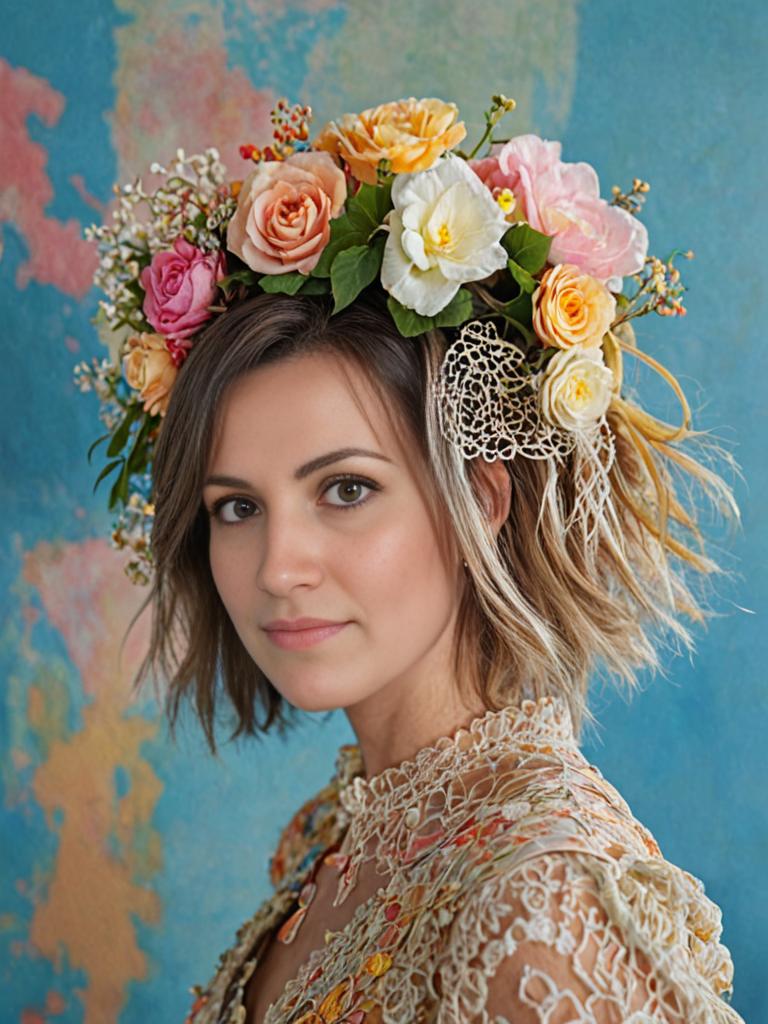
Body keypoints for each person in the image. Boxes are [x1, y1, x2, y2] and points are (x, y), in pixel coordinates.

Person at [79, 95, 745, 1023]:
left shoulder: (540, 903)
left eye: (345, 488)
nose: (277, 567)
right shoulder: (332, 831)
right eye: (237, 506)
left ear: (479, 498)